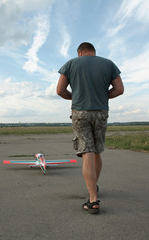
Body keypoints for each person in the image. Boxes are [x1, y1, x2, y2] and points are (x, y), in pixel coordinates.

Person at [56, 42, 124, 214]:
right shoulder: (108, 64)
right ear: (94, 51)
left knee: (87, 151)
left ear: (79, 52)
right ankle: (93, 186)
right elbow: (119, 89)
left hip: (80, 112)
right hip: (101, 112)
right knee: (97, 151)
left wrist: (75, 97)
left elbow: (60, 90)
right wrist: (102, 96)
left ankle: (93, 200)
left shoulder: (71, 64)